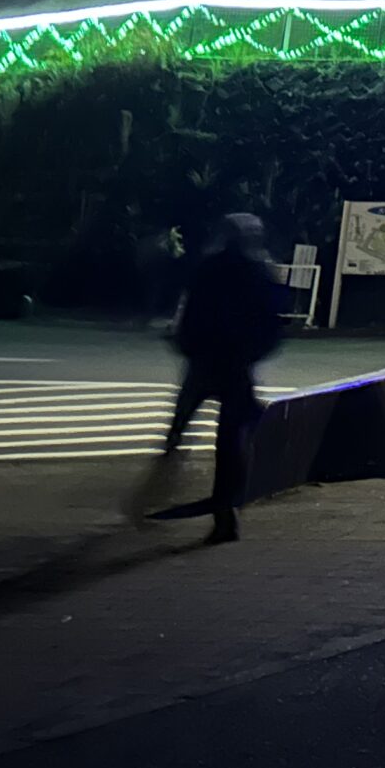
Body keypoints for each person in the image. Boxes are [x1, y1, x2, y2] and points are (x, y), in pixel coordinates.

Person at [134, 213, 286, 543]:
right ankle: (225, 512)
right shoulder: (261, 271)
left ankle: (160, 486)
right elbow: (273, 323)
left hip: (204, 360)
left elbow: (191, 311)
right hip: (236, 365)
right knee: (230, 442)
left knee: (181, 423)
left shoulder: (210, 267)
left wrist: (186, 344)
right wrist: (251, 353)